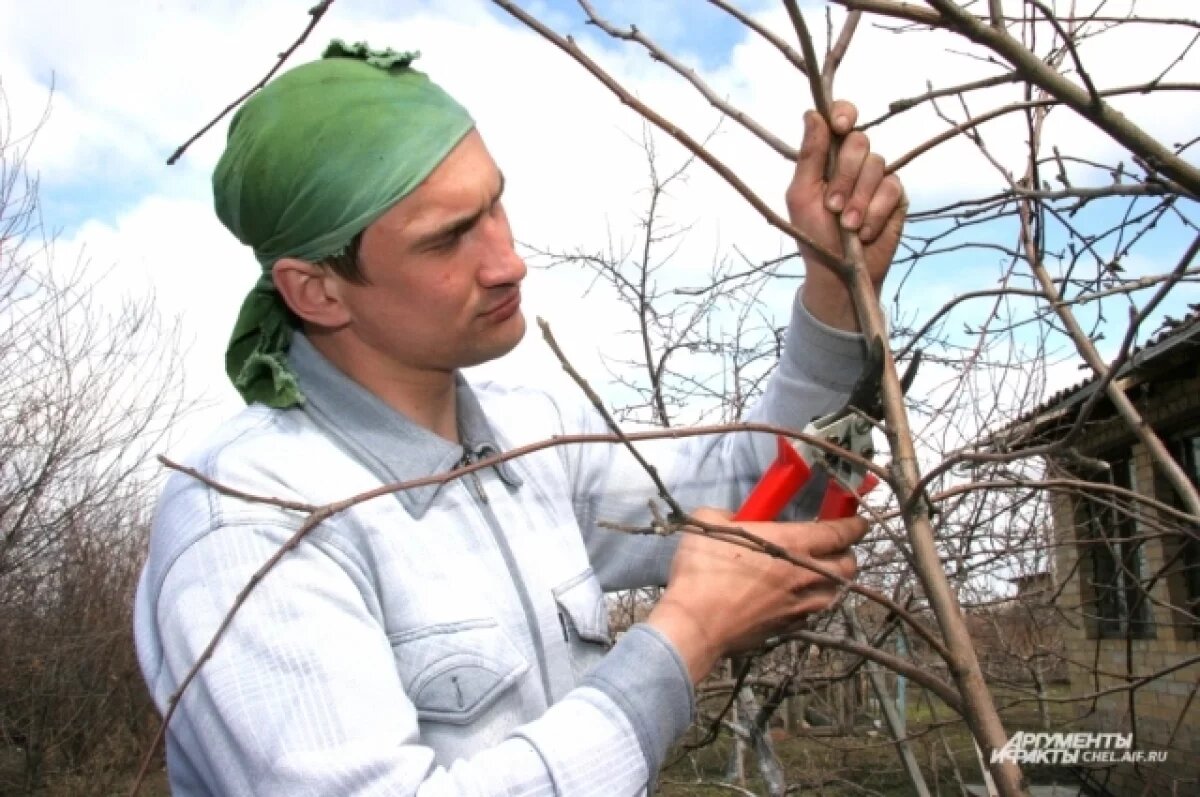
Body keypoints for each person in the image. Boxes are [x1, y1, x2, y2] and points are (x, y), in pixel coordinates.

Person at [134, 40, 906, 796]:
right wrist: (685, 638)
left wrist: (838, 287)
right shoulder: (246, 521)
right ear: (317, 291)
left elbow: (758, 491)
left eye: (494, 203)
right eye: (448, 238)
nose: (508, 261)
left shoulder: (534, 437)